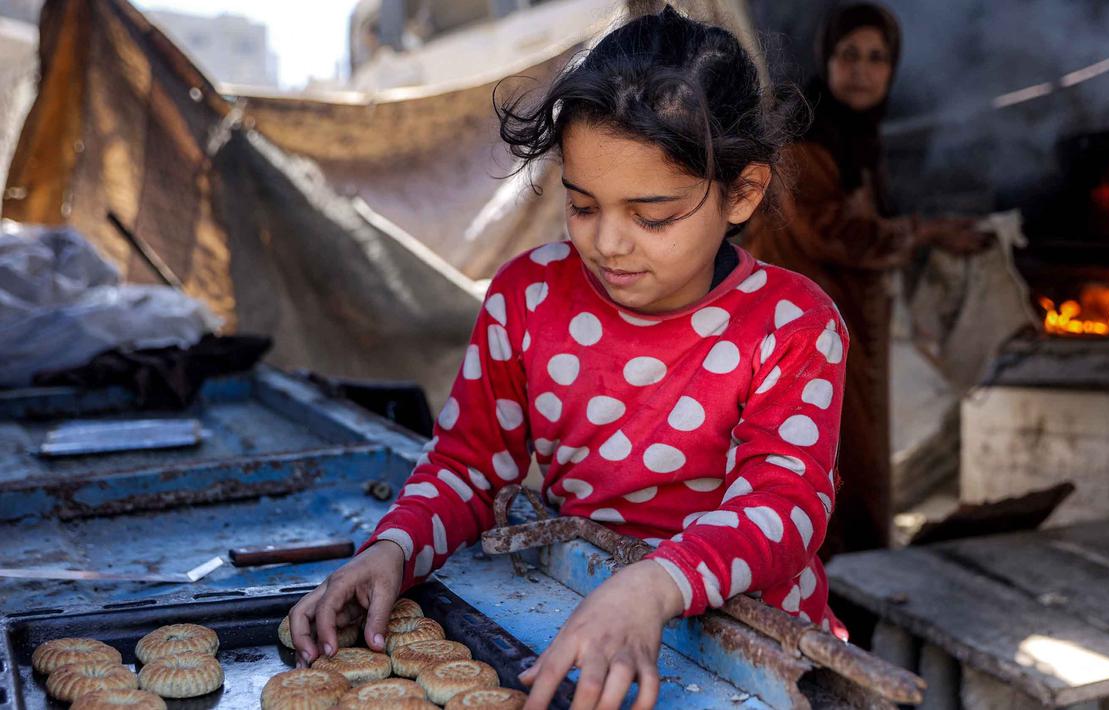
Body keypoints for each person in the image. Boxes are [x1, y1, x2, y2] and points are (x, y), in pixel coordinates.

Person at [288, 6, 848, 709]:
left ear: (742, 192)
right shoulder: (526, 297)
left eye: (651, 216)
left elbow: (784, 502)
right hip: (575, 618)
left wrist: (654, 583)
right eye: (583, 205)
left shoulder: (791, 324)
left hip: (756, 656)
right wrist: (392, 548)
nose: (609, 243)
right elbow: (467, 466)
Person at [742, 1, 986, 557]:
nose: (862, 70)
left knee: (853, 465)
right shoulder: (804, 138)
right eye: (848, 54)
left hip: (846, 328)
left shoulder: (857, 139)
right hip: (799, 337)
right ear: (826, 59)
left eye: (877, 58)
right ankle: (826, 595)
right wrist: (923, 233)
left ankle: (853, 584)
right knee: (817, 466)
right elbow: (833, 233)